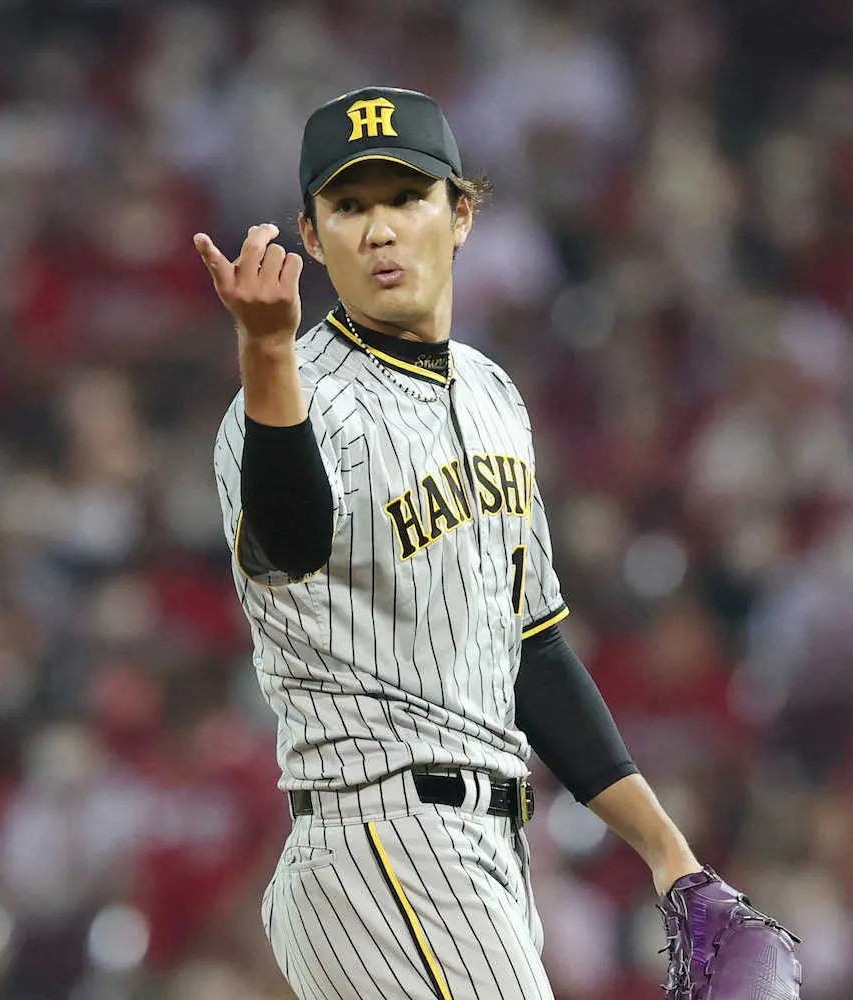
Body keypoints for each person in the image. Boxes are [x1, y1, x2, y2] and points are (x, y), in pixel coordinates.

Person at [197, 87, 800, 1000]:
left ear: (462, 215)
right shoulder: (285, 401)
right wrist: (267, 353)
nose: (380, 230)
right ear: (312, 238)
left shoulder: (490, 394)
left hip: (487, 851)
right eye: (349, 207)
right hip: (382, 842)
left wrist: (668, 854)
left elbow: (535, 649)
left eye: (407, 197)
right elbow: (290, 542)